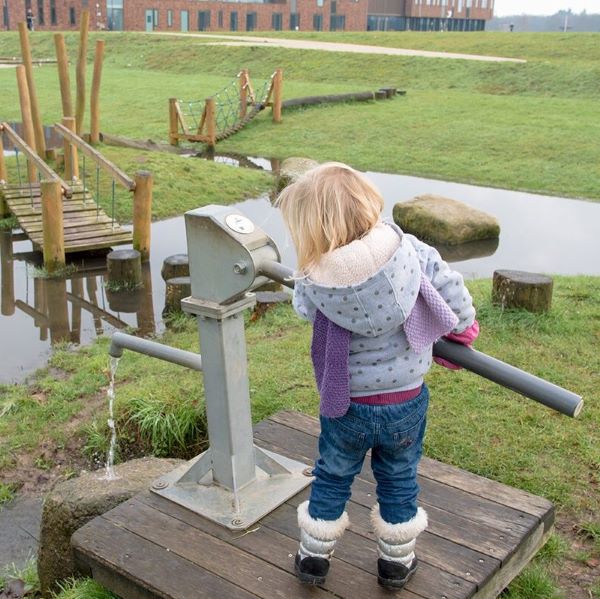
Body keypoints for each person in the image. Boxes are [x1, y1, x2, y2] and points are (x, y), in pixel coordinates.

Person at [276, 163, 478, 589]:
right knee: (399, 477)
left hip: (345, 403)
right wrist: (462, 328)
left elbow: (302, 311)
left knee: (332, 475)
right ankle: (396, 563)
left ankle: (313, 556)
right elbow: (452, 292)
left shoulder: (314, 277)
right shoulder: (410, 249)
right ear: (368, 203)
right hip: (405, 400)